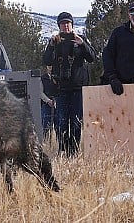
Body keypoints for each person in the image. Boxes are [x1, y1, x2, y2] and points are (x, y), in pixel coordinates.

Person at [43, 11, 96, 157]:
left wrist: (82, 44)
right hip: (61, 89)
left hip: (78, 88)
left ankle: (74, 152)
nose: (65, 26)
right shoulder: (55, 41)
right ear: (59, 26)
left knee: (76, 122)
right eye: (62, 24)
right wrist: (51, 46)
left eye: (68, 23)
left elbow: (92, 57)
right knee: (61, 121)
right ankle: (63, 149)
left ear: (72, 25)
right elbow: (46, 61)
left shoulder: (80, 39)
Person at [102, 0, 134, 95]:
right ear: (128, 15)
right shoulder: (118, 33)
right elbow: (108, 55)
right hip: (121, 87)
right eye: (132, 12)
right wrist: (112, 78)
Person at [40, 65, 59, 142]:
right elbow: (40, 92)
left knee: (59, 127)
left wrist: (56, 102)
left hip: (57, 105)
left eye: (52, 65)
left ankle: (61, 148)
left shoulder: (58, 77)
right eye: (48, 65)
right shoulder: (42, 78)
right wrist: (47, 100)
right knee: (45, 127)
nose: (50, 67)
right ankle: (44, 145)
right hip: (46, 105)